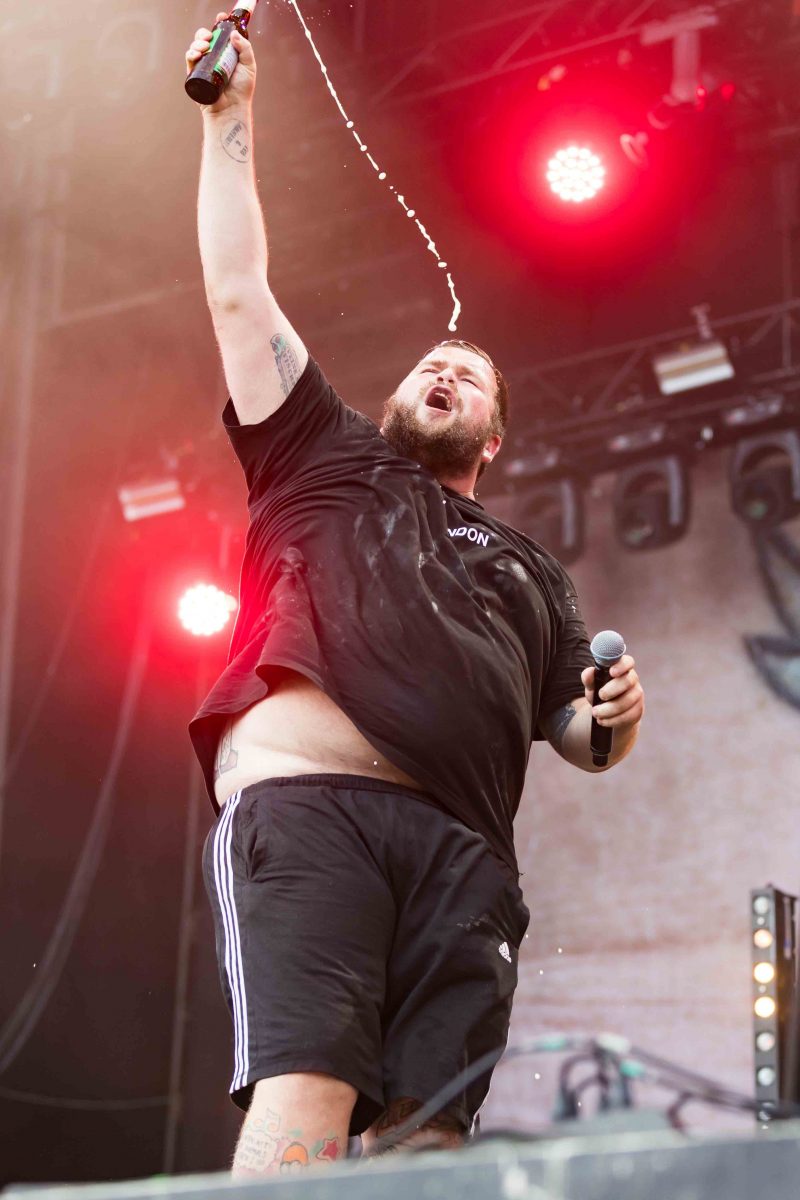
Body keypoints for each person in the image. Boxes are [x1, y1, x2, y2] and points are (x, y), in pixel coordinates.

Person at [185, 16, 645, 1180]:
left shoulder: (531, 571)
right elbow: (237, 293)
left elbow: (575, 736)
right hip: (313, 813)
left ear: (491, 436)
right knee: (308, 1093)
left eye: (470, 377)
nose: (445, 368)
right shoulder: (320, 453)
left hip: (464, 855)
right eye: (431, 363)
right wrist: (231, 117)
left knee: (431, 1140)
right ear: (396, 398)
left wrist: (613, 721)